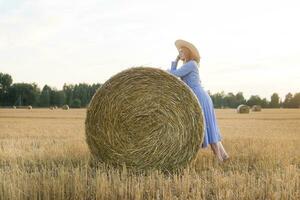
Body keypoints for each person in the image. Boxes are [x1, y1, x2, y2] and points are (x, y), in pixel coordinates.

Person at [166, 39, 229, 162]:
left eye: (182, 51)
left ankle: (219, 158)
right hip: (197, 97)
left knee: (209, 127)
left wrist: (171, 66)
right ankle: (224, 155)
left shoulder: (191, 64)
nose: (180, 53)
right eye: (179, 51)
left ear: (188, 53)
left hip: (200, 97)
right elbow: (174, 75)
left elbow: (173, 74)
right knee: (211, 127)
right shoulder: (187, 65)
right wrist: (176, 61)